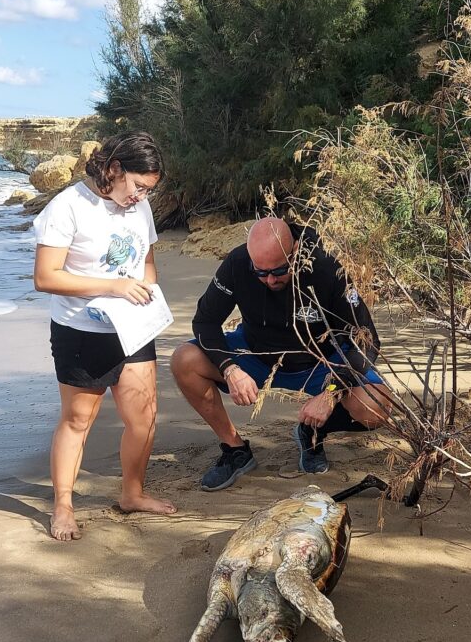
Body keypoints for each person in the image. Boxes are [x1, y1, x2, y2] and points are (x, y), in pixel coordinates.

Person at [171, 217, 393, 491]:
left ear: (296, 250)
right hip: (256, 353)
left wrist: (332, 393)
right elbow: (205, 321)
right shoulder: (238, 262)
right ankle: (235, 449)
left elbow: (367, 340)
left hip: (320, 363)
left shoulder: (325, 267)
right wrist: (230, 369)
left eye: (278, 270)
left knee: (378, 406)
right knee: (184, 360)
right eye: (261, 272)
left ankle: (312, 431)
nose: (270, 280)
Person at [33, 131, 176, 541]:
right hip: (80, 330)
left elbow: (147, 264)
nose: (141, 197)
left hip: (130, 327)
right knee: (78, 420)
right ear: (113, 168)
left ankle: (132, 493)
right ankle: (63, 506)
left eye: (149, 190)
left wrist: (146, 291)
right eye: (137, 186)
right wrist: (112, 288)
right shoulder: (68, 206)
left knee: (144, 417)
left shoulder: (139, 207)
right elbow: (45, 276)